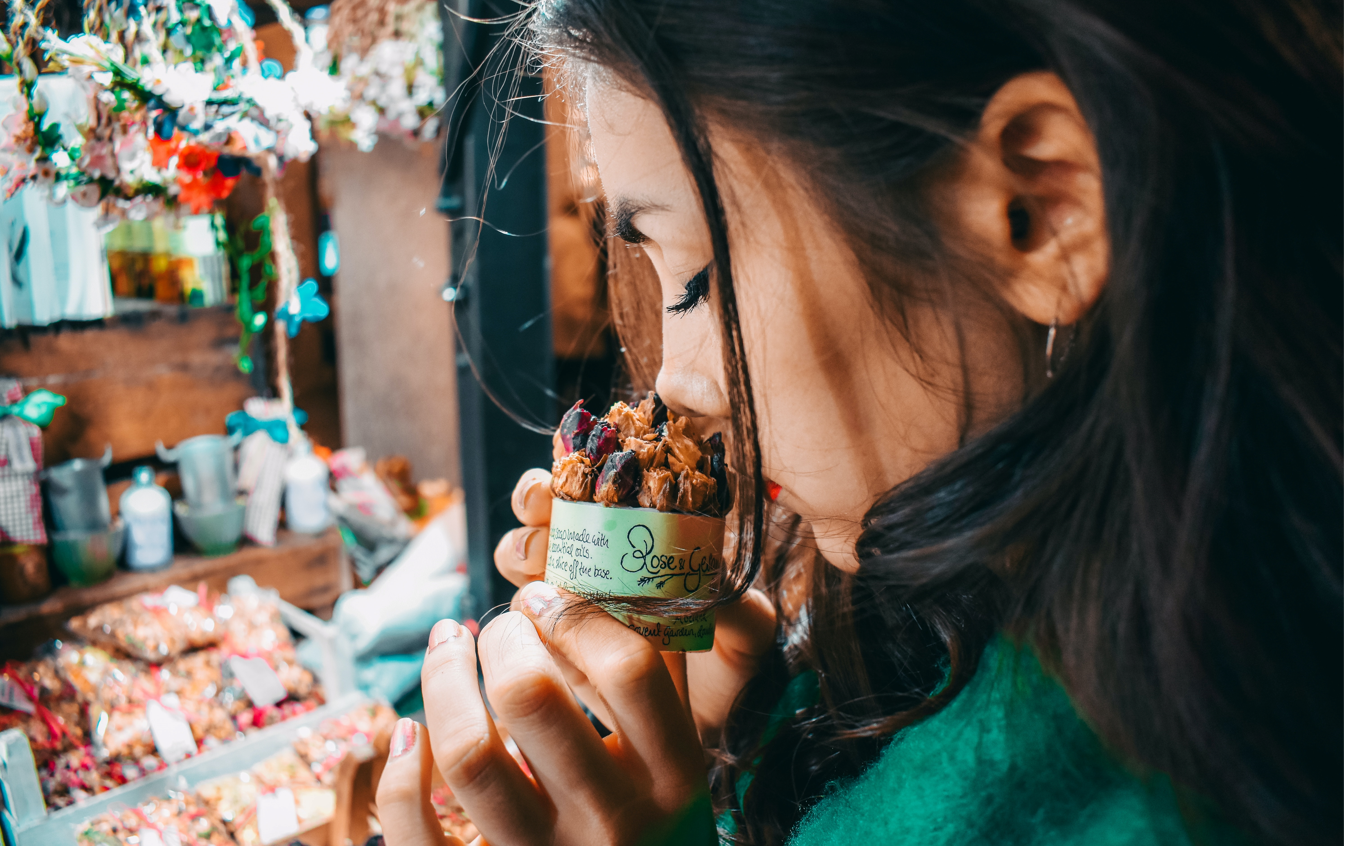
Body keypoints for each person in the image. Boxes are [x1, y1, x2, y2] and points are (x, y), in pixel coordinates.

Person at [375, 1, 1342, 844]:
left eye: (700, 278)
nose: (676, 388)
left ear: (1038, 211)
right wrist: (745, 736)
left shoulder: (1183, 804)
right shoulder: (948, 636)